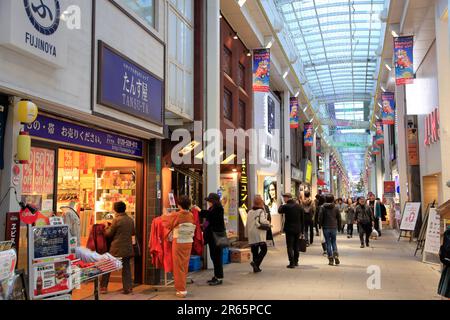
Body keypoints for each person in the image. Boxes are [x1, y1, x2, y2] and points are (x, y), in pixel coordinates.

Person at [162, 196, 196, 298]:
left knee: (178, 265)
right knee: (184, 265)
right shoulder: (190, 215)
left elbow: (166, 222)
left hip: (179, 241)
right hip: (188, 241)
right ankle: (182, 286)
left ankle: (181, 289)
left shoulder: (177, 214)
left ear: (179, 205)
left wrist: (164, 212)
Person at [100, 201, 135, 294]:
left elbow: (109, 234)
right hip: (128, 248)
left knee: (108, 266)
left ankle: (103, 287)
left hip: (116, 248)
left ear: (115, 209)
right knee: (126, 268)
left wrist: (106, 227)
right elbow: (132, 233)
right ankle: (128, 288)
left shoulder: (116, 220)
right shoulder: (130, 220)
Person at [196, 193, 226, 286]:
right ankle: (216, 276)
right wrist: (202, 227)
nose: (208, 203)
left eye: (209, 201)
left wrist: (199, 210)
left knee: (217, 257)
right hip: (212, 237)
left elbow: (210, 216)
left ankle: (219, 277)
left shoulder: (218, 209)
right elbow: (208, 221)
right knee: (214, 257)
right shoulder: (212, 209)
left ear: (213, 201)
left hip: (217, 237)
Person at [278, 193, 304, 268]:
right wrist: (302, 231)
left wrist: (282, 204)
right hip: (297, 229)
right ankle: (296, 261)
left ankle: (291, 263)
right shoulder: (299, 206)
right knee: (296, 245)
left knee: (289, 246)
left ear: (287, 198)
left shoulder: (286, 206)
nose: (284, 199)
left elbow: (279, 210)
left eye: (284, 198)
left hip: (289, 229)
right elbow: (302, 219)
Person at [246, 196, 271, 273]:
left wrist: (246, 234)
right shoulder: (261, 211)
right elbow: (263, 221)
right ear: (261, 202)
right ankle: (255, 263)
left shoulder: (249, 212)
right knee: (264, 250)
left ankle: (256, 268)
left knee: (254, 251)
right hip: (258, 233)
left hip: (251, 233)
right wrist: (268, 223)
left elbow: (247, 223)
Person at [319, 194, 342, 266]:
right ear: (333, 199)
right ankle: (335, 253)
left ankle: (330, 259)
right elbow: (339, 218)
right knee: (334, 242)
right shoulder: (336, 207)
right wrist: (339, 227)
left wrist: (320, 225)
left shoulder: (322, 207)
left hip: (326, 227)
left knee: (328, 243)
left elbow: (320, 217)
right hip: (333, 227)